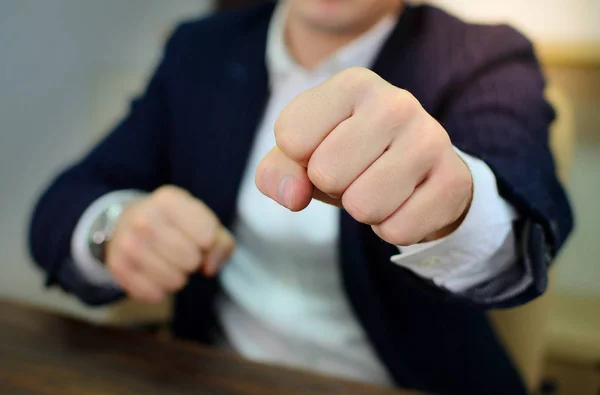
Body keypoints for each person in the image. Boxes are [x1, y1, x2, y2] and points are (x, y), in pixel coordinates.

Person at [29, 0, 573, 394]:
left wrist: (454, 205)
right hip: (215, 373)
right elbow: (66, 201)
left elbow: (526, 215)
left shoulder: (482, 54)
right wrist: (113, 229)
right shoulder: (201, 46)